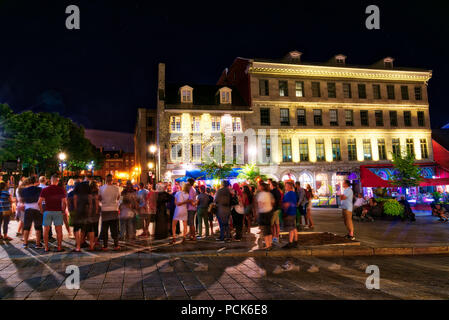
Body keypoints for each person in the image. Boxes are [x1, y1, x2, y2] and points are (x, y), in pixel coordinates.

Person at [38, 175, 67, 252]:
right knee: (59, 230)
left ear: (50, 181)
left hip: (47, 211)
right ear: (57, 181)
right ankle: (59, 247)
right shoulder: (61, 190)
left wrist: (41, 211)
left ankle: (46, 247)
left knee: (46, 230)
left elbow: (39, 202)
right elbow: (64, 202)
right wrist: (63, 210)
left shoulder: (45, 189)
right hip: (58, 211)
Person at [20, 177, 43, 248]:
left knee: (26, 227)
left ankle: (25, 243)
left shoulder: (23, 190)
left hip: (27, 209)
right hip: (37, 209)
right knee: (38, 227)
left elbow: (22, 201)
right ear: (34, 182)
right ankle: (38, 244)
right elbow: (41, 200)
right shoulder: (39, 189)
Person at [99, 174, 120, 251]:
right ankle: (116, 245)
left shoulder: (101, 188)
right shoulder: (116, 188)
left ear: (105, 179)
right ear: (112, 179)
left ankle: (105, 246)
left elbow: (100, 198)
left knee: (105, 228)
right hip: (114, 209)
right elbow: (118, 198)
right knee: (114, 228)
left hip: (105, 210)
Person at [255, 182, 275, 250]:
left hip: (263, 213)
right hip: (269, 212)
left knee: (265, 230)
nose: (258, 187)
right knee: (268, 229)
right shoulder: (269, 194)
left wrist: (258, 211)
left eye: (259, 186)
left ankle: (267, 245)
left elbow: (260, 204)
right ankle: (270, 243)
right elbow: (273, 202)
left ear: (262, 187)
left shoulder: (261, 194)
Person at [282, 181, 298, 248]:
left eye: (286, 186)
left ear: (289, 186)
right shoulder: (294, 193)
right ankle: (296, 241)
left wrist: (284, 212)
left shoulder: (288, 194)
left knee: (290, 228)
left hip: (289, 213)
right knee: (293, 227)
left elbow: (287, 204)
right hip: (293, 212)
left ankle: (290, 242)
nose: (285, 187)